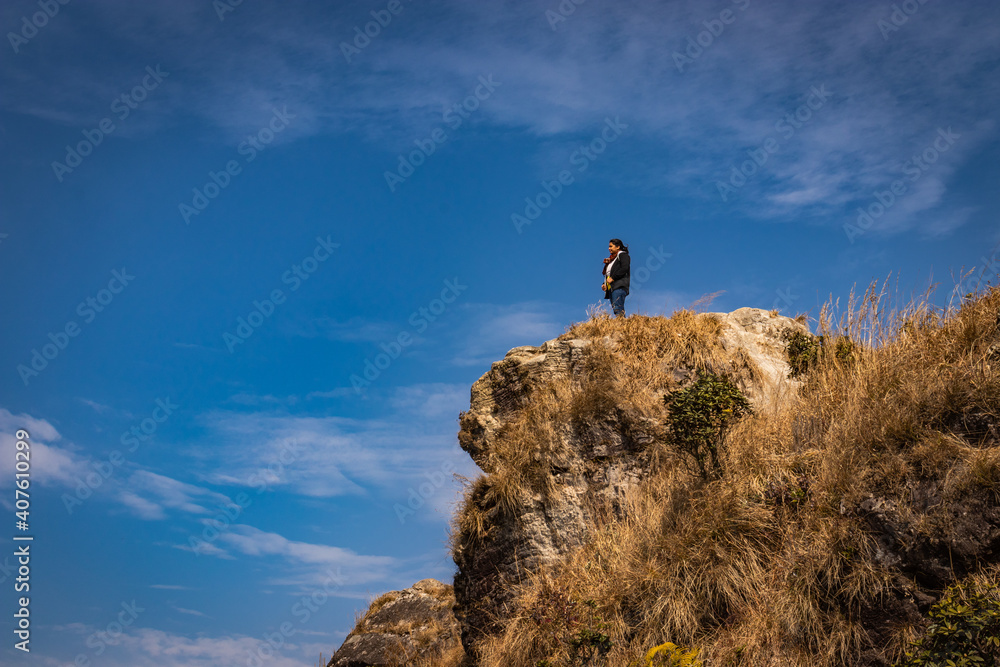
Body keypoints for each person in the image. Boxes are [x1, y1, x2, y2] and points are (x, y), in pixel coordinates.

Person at [602, 238, 630, 317]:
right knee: (616, 308)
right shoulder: (612, 260)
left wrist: (613, 278)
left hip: (619, 286)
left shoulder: (622, 255)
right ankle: (621, 324)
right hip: (612, 288)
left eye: (611, 246)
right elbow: (609, 274)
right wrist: (604, 284)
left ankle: (622, 325)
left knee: (618, 308)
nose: (609, 248)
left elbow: (624, 268)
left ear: (618, 247)